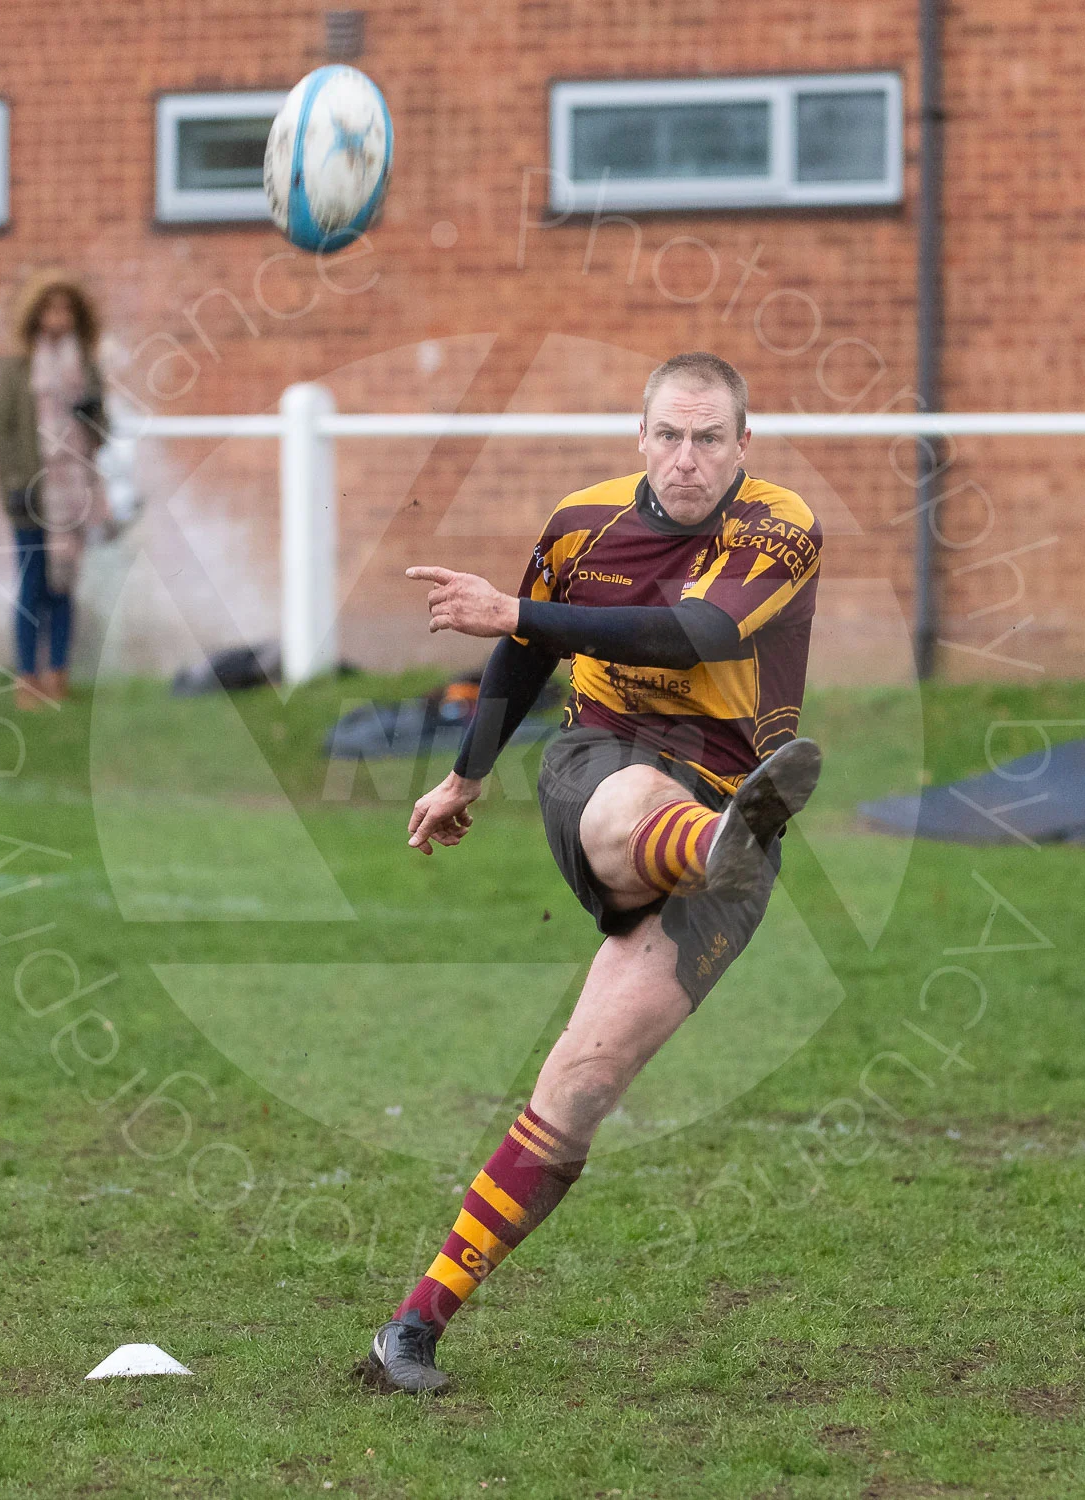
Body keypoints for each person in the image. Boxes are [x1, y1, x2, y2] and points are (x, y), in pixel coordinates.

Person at [366, 351, 825, 1393]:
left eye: (711, 438)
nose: (687, 458)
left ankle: (412, 1329)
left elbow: (692, 633)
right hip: (604, 769)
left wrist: (515, 612)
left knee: (577, 1089)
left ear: (744, 447)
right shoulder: (582, 523)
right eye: (668, 434)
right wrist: (464, 777)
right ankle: (714, 843)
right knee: (631, 806)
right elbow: (521, 661)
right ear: (640, 436)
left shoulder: (781, 527)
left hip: (727, 814)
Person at [0, 271, 111, 709]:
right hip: (30, 494)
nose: (58, 318)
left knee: (62, 587)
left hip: (72, 497)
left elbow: (102, 434)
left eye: (66, 309)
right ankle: (28, 679)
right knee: (31, 586)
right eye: (50, 308)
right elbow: (1, 432)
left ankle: (58, 674)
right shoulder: (17, 368)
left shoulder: (87, 368)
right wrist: (14, 485)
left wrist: (91, 409)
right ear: (36, 315)